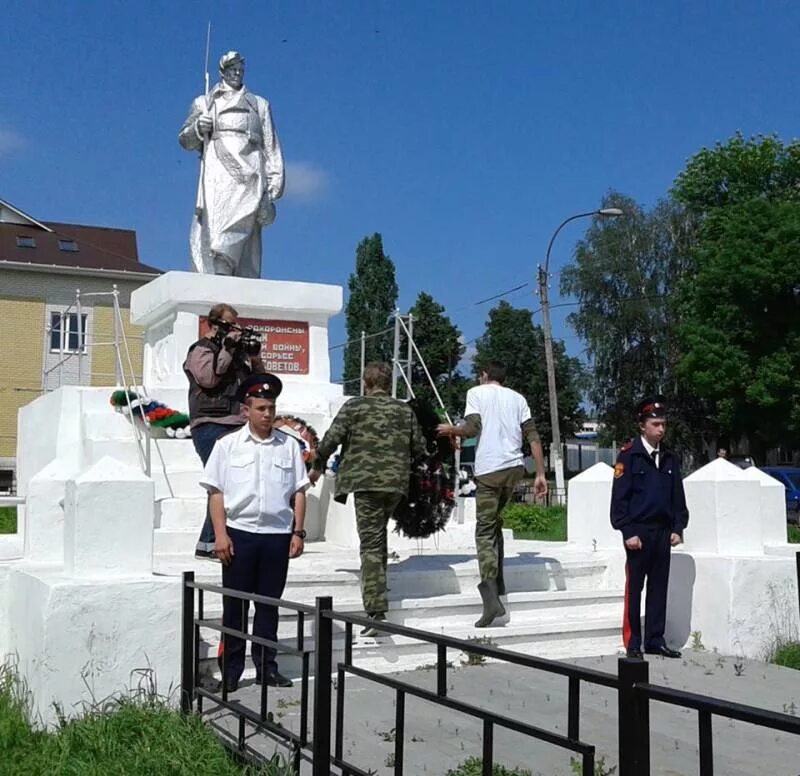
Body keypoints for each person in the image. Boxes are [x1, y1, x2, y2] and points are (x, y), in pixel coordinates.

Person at [200, 374, 309, 691]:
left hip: (276, 536)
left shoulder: (289, 446)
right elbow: (216, 493)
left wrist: (298, 532)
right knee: (235, 608)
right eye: (261, 408)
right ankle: (231, 673)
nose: (267, 414)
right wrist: (220, 535)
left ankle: (266, 668)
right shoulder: (227, 446)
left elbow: (299, 491)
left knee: (268, 606)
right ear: (246, 410)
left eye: (271, 407)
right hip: (240, 534)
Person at [308, 362, 427, 636]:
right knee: (378, 538)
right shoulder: (403, 409)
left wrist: (317, 465)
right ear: (388, 384)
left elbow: (331, 439)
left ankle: (376, 610)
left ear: (365, 383)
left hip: (365, 483)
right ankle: (378, 586)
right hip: (395, 485)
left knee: (371, 543)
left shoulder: (354, 407)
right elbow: (420, 447)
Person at [437, 361, 548, 627]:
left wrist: (450, 429)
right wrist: (541, 473)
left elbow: (473, 427)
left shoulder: (476, 393)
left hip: (489, 470)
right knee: (495, 522)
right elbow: (532, 437)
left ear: (485, 376)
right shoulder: (518, 398)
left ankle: (490, 601)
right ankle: (498, 583)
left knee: (484, 531)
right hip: (514, 468)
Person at [179, 50, 284, 278]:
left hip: (251, 173)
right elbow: (185, 140)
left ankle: (234, 273)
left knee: (246, 223)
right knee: (217, 227)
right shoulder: (205, 102)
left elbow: (271, 145)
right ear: (222, 72)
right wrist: (199, 128)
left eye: (240, 70)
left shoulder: (259, 105)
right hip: (219, 172)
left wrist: (274, 184)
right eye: (232, 70)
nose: (237, 74)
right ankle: (220, 269)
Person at [610, 395, 689, 660]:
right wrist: (627, 531)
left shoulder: (668, 458)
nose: (661, 429)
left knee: (659, 588)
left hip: (662, 533)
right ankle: (634, 642)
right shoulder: (629, 455)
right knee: (635, 589)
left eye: (663, 424)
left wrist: (678, 526)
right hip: (638, 533)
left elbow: (678, 496)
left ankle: (656, 640)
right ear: (642, 425)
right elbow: (619, 500)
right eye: (656, 424)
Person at [184, 303, 266, 559]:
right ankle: (210, 542)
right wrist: (228, 348)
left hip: (237, 424)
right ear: (214, 324)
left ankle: (211, 542)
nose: (234, 330)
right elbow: (209, 379)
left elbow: (258, 384)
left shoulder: (236, 352)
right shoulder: (200, 350)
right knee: (220, 483)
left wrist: (253, 358)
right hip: (210, 424)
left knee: (234, 483)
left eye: (236, 326)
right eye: (230, 324)